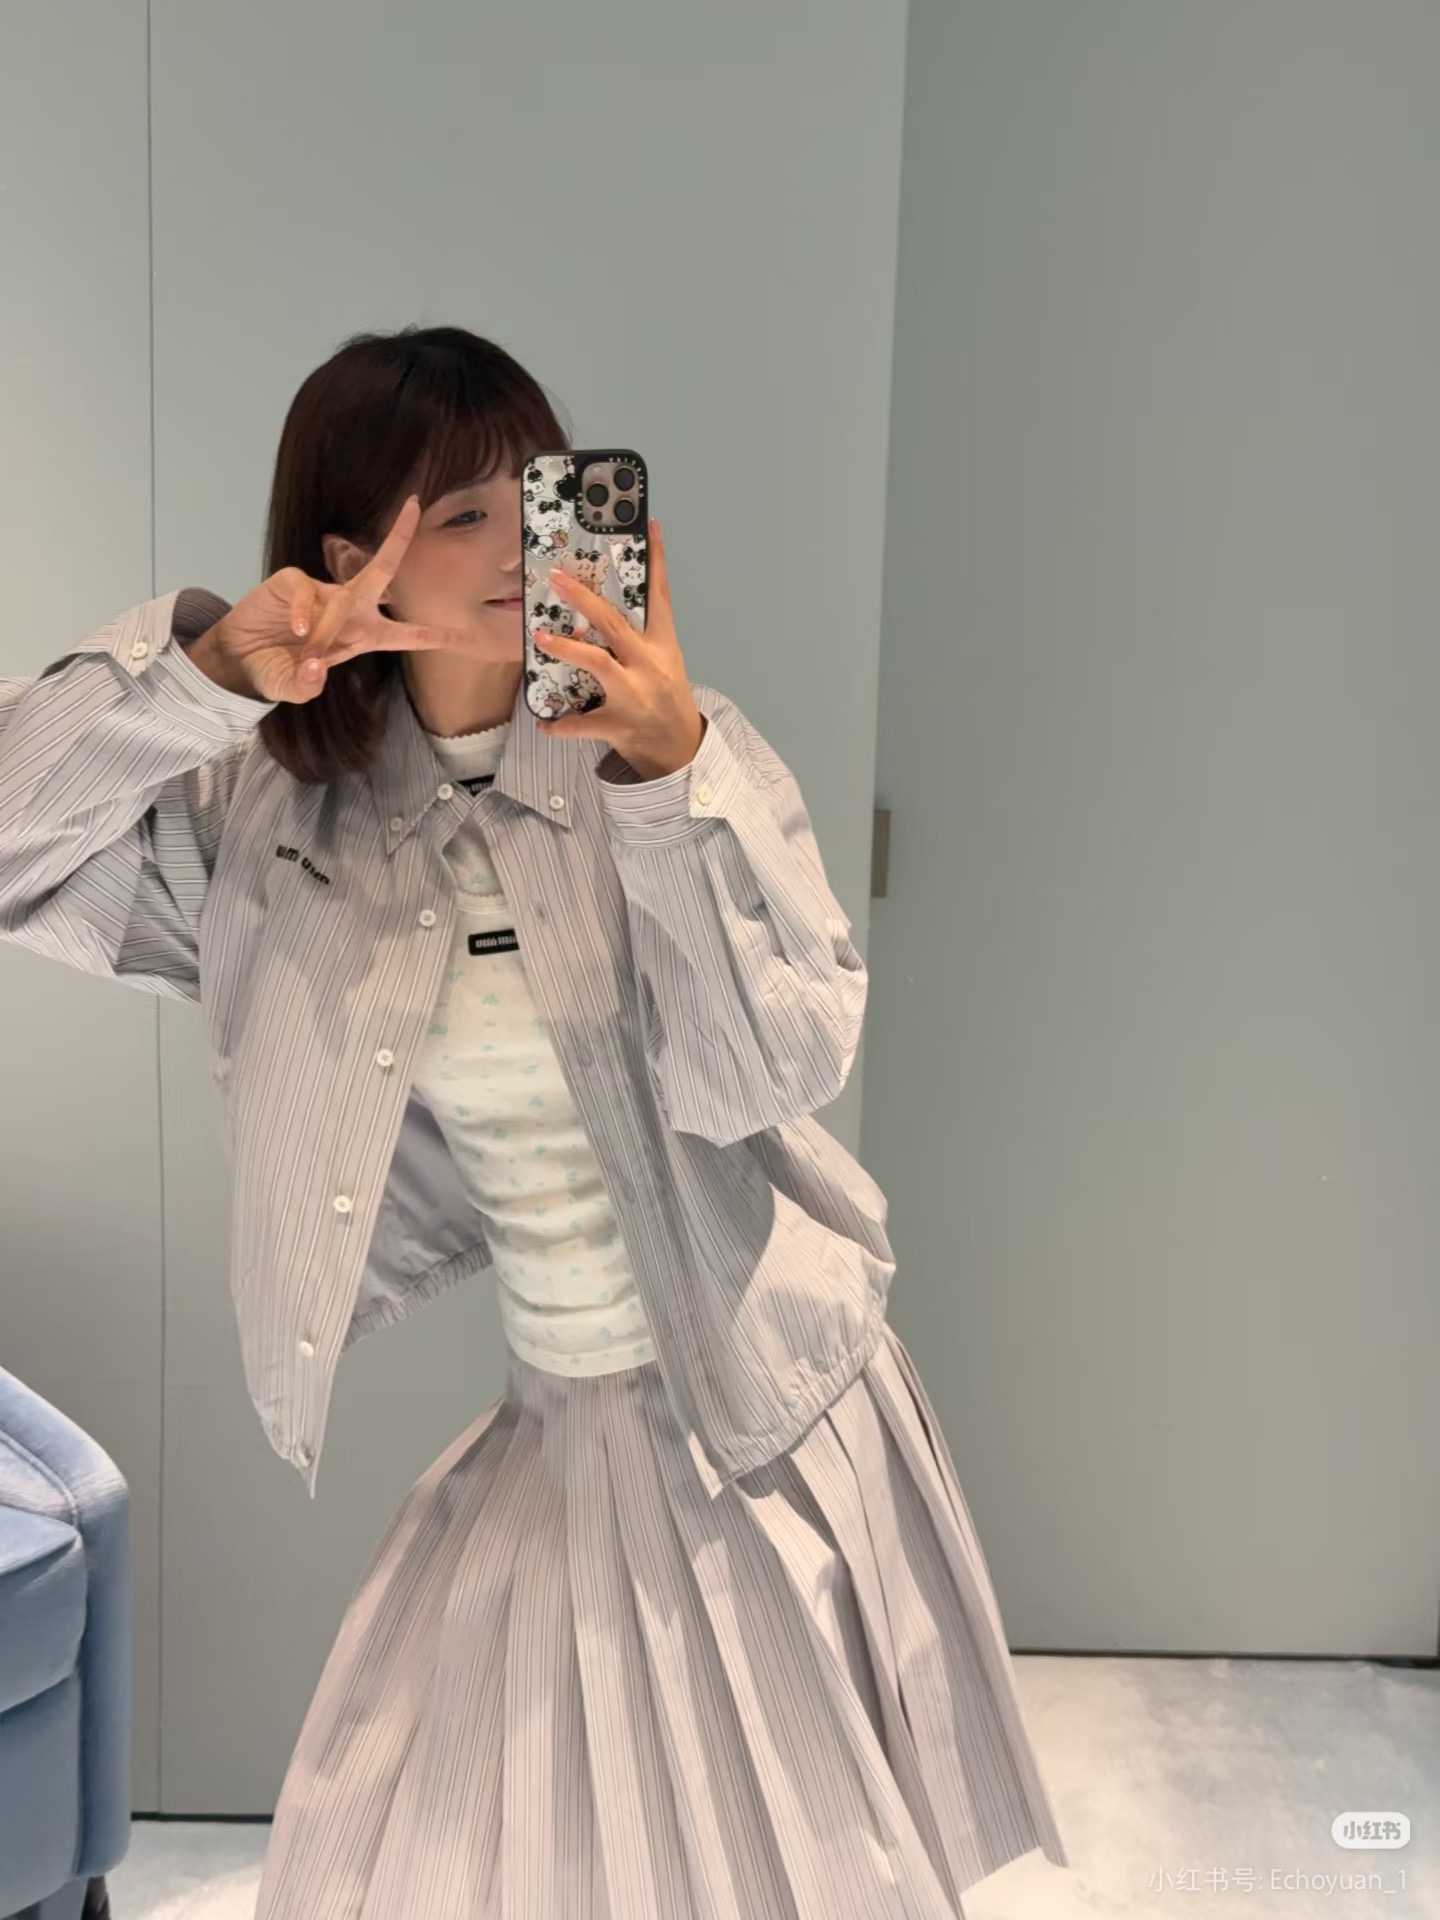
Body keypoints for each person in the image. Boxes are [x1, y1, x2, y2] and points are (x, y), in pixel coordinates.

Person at [0, 325, 1069, 1917]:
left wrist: (670, 777)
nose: (522, 547)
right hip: (560, 1424)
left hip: (764, 1411)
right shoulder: (276, 831)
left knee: (788, 1872)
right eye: (463, 514)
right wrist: (210, 677)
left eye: (542, 497)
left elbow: (781, 1065)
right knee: (397, 1843)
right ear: (347, 559)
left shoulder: (667, 752)